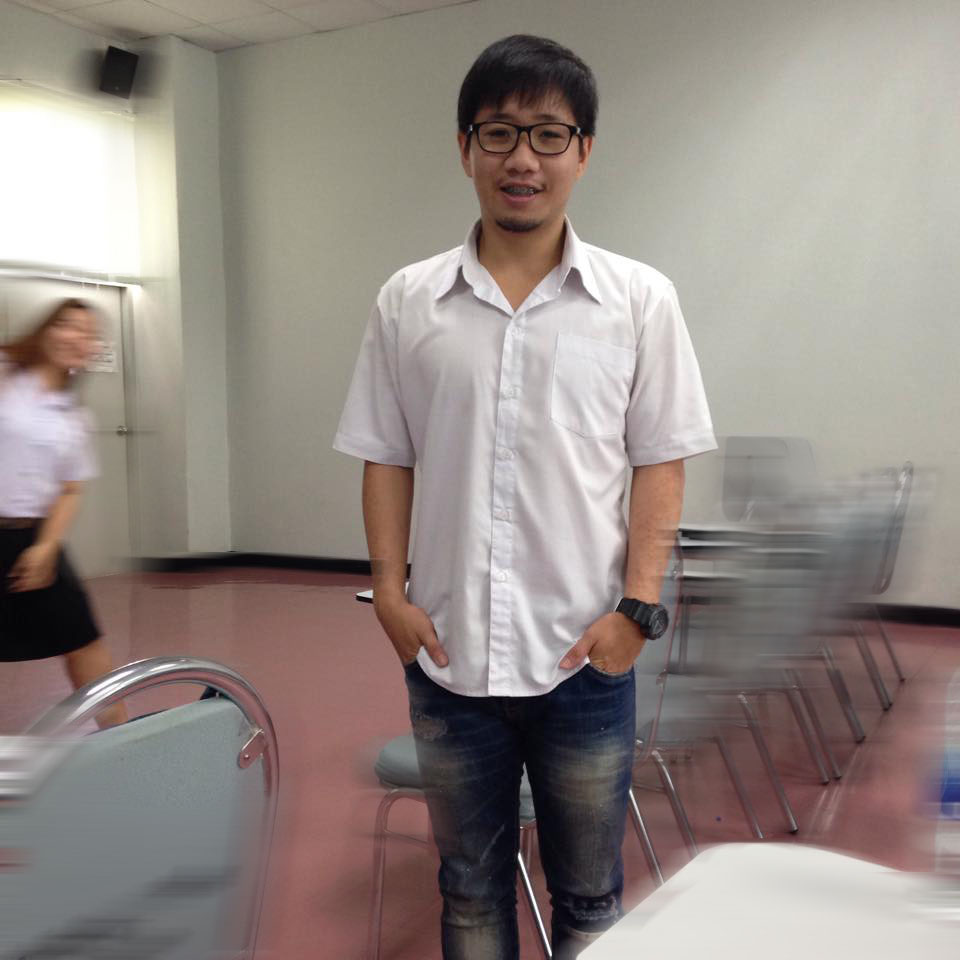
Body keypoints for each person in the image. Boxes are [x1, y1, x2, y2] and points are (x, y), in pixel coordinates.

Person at [335, 35, 716, 959]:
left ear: (585, 151)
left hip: (585, 658)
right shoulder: (408, 301)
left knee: (590, 895)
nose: (523, 159)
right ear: (464, 147)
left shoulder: (639, 300)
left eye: (549, 134)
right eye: (499, 132)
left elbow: (660, 464)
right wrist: (388, 594)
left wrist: (637, 609)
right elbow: (385, 455)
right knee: (468, 891)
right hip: (448, 656)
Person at [0, 297, 126, 728]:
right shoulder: (6, 376)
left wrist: (47, 547)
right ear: (47, 330)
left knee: (83, 642)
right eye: (68, 325)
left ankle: (127, 743)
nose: (77, 337)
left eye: (89, 334)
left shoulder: (74, 418)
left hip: (33, 538)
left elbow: (70, 488)